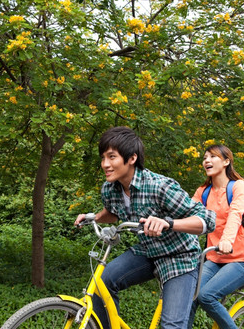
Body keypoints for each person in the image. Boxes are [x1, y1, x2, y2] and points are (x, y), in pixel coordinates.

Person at [74, 126, 216, 329]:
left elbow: (208, 219)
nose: (105, 164)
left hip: (180, 257)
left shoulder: (160, 186)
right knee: (101, 283)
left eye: (112, 157)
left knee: (171, 326)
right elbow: (114, 212)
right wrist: (94, 217)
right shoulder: (110, 188)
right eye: (103, 158)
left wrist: (169, 223)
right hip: (148, 251)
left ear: (131, 158)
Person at [188, 144, 244, 329]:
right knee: (190, 297)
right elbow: (186, 215)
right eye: (204, 158)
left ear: (226, 161)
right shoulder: (203, 192)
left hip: (242, 260)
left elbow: (235, 214)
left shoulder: (238, 186)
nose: (207, 161)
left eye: (213, 156)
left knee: (206, 296)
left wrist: (226, 240)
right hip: (214, 257)